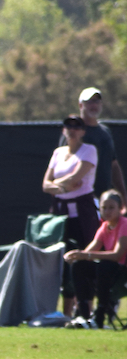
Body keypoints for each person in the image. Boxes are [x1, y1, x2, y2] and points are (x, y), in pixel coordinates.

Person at [44, 114, 99, 319]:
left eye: (77, 127)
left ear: (83, 131)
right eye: (68, 126)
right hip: (60, 214)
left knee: (83, 259)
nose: (72, 130)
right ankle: (65, 314)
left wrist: (57, 185)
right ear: (63, 130)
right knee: (62, 261)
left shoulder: (89, 150)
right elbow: (45, 184)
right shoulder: (58, 153)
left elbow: (77, 178)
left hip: (83, 214)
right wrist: (63, 186)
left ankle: (86, 311)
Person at [62, 190, 127, 329]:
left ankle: (100, 315)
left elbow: (117, 255)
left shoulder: (124, 224)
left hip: (122, 274)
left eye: (111, 207)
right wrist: (76, 255)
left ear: (120, 208)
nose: (107, 211)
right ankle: (83, 314)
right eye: (104, 208)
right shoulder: (104, 227)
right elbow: (88, 251)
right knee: (79, 265)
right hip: (109, 271)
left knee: (104, 266)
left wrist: (87, 255)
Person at [61, 88, 126, 198]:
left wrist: (123, 194)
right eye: (89, 102)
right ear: (81, 105)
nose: (93, 105)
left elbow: (113, 164)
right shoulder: (73, 132)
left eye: (96, 101)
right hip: (81, 197)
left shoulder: (105, 131)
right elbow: (63, 163)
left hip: (104, 200)